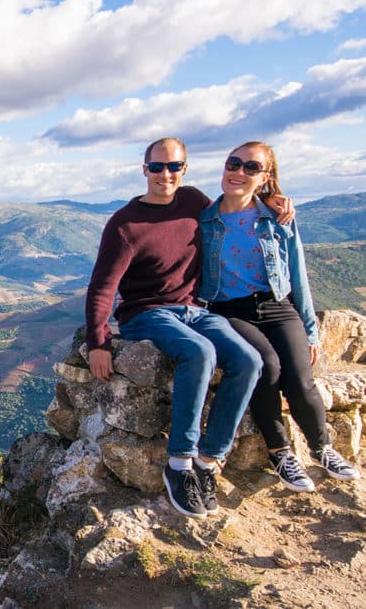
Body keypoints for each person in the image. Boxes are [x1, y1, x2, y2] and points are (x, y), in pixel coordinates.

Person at [84, 137, 290, 520]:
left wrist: (272, 202)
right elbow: (102, 287)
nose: (166, 174)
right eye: (158, 167)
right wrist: (99, 340)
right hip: (147, 312)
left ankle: (208, 461)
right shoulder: (125, 224)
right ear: (144, 170)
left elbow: (237, 205)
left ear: (185, 169)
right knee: (199, 352)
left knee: (248, 359)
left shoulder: (195, 202)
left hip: (195, 309)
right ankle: (179, 463)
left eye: (174, 166)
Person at [199, 141, 359, 491]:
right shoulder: (205, 219)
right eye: (234, 163)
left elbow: (297, 274)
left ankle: (322, 448)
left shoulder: (275, 217)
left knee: (301, 379)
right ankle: (280, 452)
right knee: (266, 367)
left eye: (251, 167)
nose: (239, 172)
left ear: (265, 177)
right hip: (229, 309)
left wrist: (311, 331)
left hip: (277, 305)